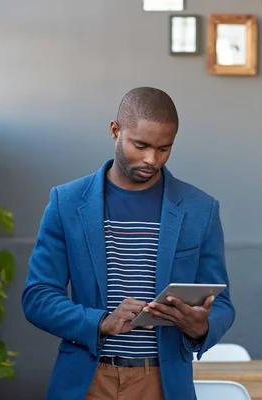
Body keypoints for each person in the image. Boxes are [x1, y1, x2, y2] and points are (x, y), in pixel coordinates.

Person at [22, 87, 236, 400]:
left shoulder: (200, 209)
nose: (152, 159)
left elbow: (223, 305)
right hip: (87, 381)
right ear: (115, 131)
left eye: (164, 149)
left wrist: (200, 326)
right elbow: (38, 297)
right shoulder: (66, 202)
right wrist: (101, 322)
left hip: (163, 384)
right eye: (141, 145)